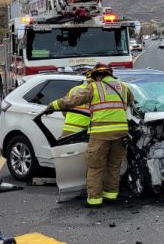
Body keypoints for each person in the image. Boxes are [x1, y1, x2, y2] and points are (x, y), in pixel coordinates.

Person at [49, 64, 132, 208]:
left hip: (100, 133)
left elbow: (73, 101)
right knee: (114, 166)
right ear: (110, 74)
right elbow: (129, 102)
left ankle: (94, 200)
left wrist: (54, 105)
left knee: (95, 167)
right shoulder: (124, 87)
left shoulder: (94, 87)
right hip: (121, 132)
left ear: (97, 76)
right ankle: (111, 196)